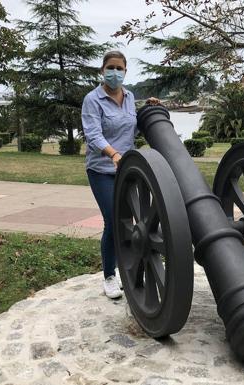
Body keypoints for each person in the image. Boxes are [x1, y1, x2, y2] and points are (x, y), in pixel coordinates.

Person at [81, 50, 159, 299]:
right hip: (102, 170)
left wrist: (148, 108)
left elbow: (132, 125)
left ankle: (128, 270)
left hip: (128, 170)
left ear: (125, 72)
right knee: (113, 222)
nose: (115, 72)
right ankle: (109, 276)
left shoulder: (129, 96)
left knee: (131, 223)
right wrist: (114, 154)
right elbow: (93, 135)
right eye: (110, 67)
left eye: (120, 68)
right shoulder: (92, 100)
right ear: (102, 70)